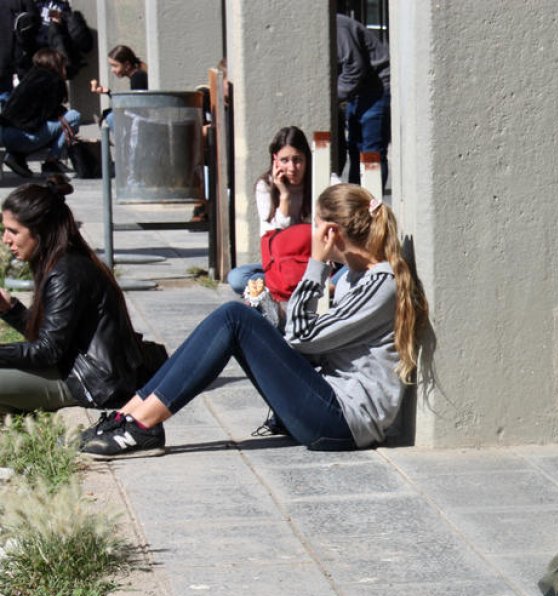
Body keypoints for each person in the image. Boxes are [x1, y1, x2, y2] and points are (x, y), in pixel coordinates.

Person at [79, 183, 428, 458]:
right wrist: (270, 316)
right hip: (330, 405)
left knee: (233, 318)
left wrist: (316, 265)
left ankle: (141, 425)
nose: (311, 232)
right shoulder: (353, 276)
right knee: (236, 318)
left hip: (345, 422)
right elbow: (315, 343)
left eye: (316, 225)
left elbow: (303, 337)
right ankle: (128, 416)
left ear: (331, 233)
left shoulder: (381, 282)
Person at [0, 177, 150, 414]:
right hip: (75, 369)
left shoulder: (66, 273)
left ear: (41, 230)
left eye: (13, 231)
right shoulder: (61, 261)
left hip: (92, 381)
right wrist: (10, 310)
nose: (5, 239)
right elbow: (52, 337)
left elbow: (48, 351)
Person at [227, 126, 313, 296]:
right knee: (237, 278)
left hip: (314, 259)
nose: (292, 167)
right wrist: (284, 195)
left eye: (298, 160)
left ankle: (291, 285)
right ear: (275, 160)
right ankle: (299, 284)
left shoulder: (321, 180)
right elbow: (279, 229)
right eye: (285, 160)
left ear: (307, 159)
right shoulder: (265, 186)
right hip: (282, 262)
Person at [0, 47, 79, 177]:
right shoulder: (53, 80)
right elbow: (50, 112)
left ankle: (16, 156)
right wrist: (61, 112)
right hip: (23, 136)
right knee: (73, 116)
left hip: (6, 133)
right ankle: (52, 160)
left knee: (57, 123)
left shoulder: (30, 77)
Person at [336, 14, 390, 186]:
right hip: (358, 91)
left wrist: (332, 97)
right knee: (355, 149)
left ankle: (371, 203)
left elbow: (354, 67)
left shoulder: (338, 27)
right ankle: (355, 200)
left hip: (377, 88)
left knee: (371, 153)